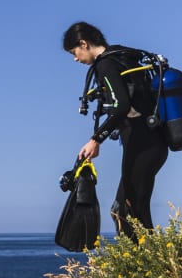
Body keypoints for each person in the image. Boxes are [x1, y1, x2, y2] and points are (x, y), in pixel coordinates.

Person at [62, 21, 169, 238]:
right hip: (151, 142)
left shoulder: (106, 64)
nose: (75, 58)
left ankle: (145, 267)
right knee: (131, 209)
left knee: (127, 210)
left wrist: (95, 140)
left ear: (84, 43)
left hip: (143, 143)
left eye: (74, 52)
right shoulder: (121, 58)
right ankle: (150, 264)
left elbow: (121, 107)